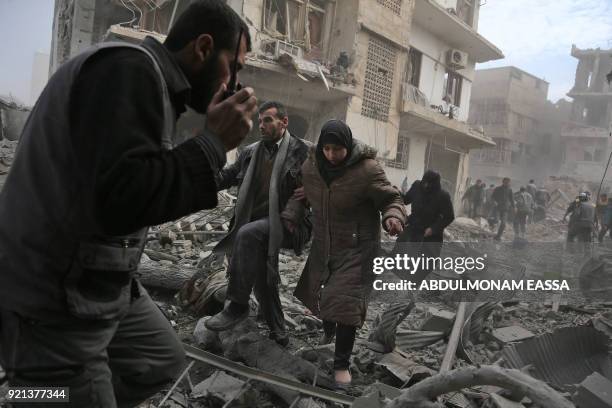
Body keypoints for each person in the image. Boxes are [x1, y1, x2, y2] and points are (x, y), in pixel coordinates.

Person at [0, 2, 258, 406]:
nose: (235, 82)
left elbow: (120, 191)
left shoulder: (148, 80)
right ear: (204, 48)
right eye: (235, 65)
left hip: (93, 279)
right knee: (58, 391)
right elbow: (120, 198)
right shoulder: (129, 70)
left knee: (160, 361)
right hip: (50, 293)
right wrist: (211, 145)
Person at [293, 120, 405, 386]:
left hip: (358, 248)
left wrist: (393, 217)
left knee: (346, 304)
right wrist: (301, 204)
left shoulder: (367, 170)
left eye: (338, 149)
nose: (331, 155)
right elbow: (306, 192)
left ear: (348, 146)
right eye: (327, 148)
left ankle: (341, 363)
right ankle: (328, 335)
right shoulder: (312, 167)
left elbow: (392, 198)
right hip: (325, 244)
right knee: (324, 294)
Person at [205, 101, 311, 347]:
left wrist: (312, 191)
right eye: (260, 120)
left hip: (288, 223)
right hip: (256, 223)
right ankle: (279, 331)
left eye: (268, 120)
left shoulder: (303, 151)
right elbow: (226, 177)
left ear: (284, 123)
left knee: (247, 234)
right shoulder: (249, 152)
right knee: (264, 276)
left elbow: (330, 178)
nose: (261, 125)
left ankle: (238, 305)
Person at [394, 170, 455, 282]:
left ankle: (414, 284)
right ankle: (401, 280)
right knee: (399, 252)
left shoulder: (443, 196)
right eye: (424, 182)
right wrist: (397, 193)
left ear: (435, 184)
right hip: (414, 226)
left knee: (428, 262)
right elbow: (406, 200)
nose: (426, 185)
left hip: (431, 232)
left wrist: (434, 229)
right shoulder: (417, 186)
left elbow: (449, 216)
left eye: (429, 183)